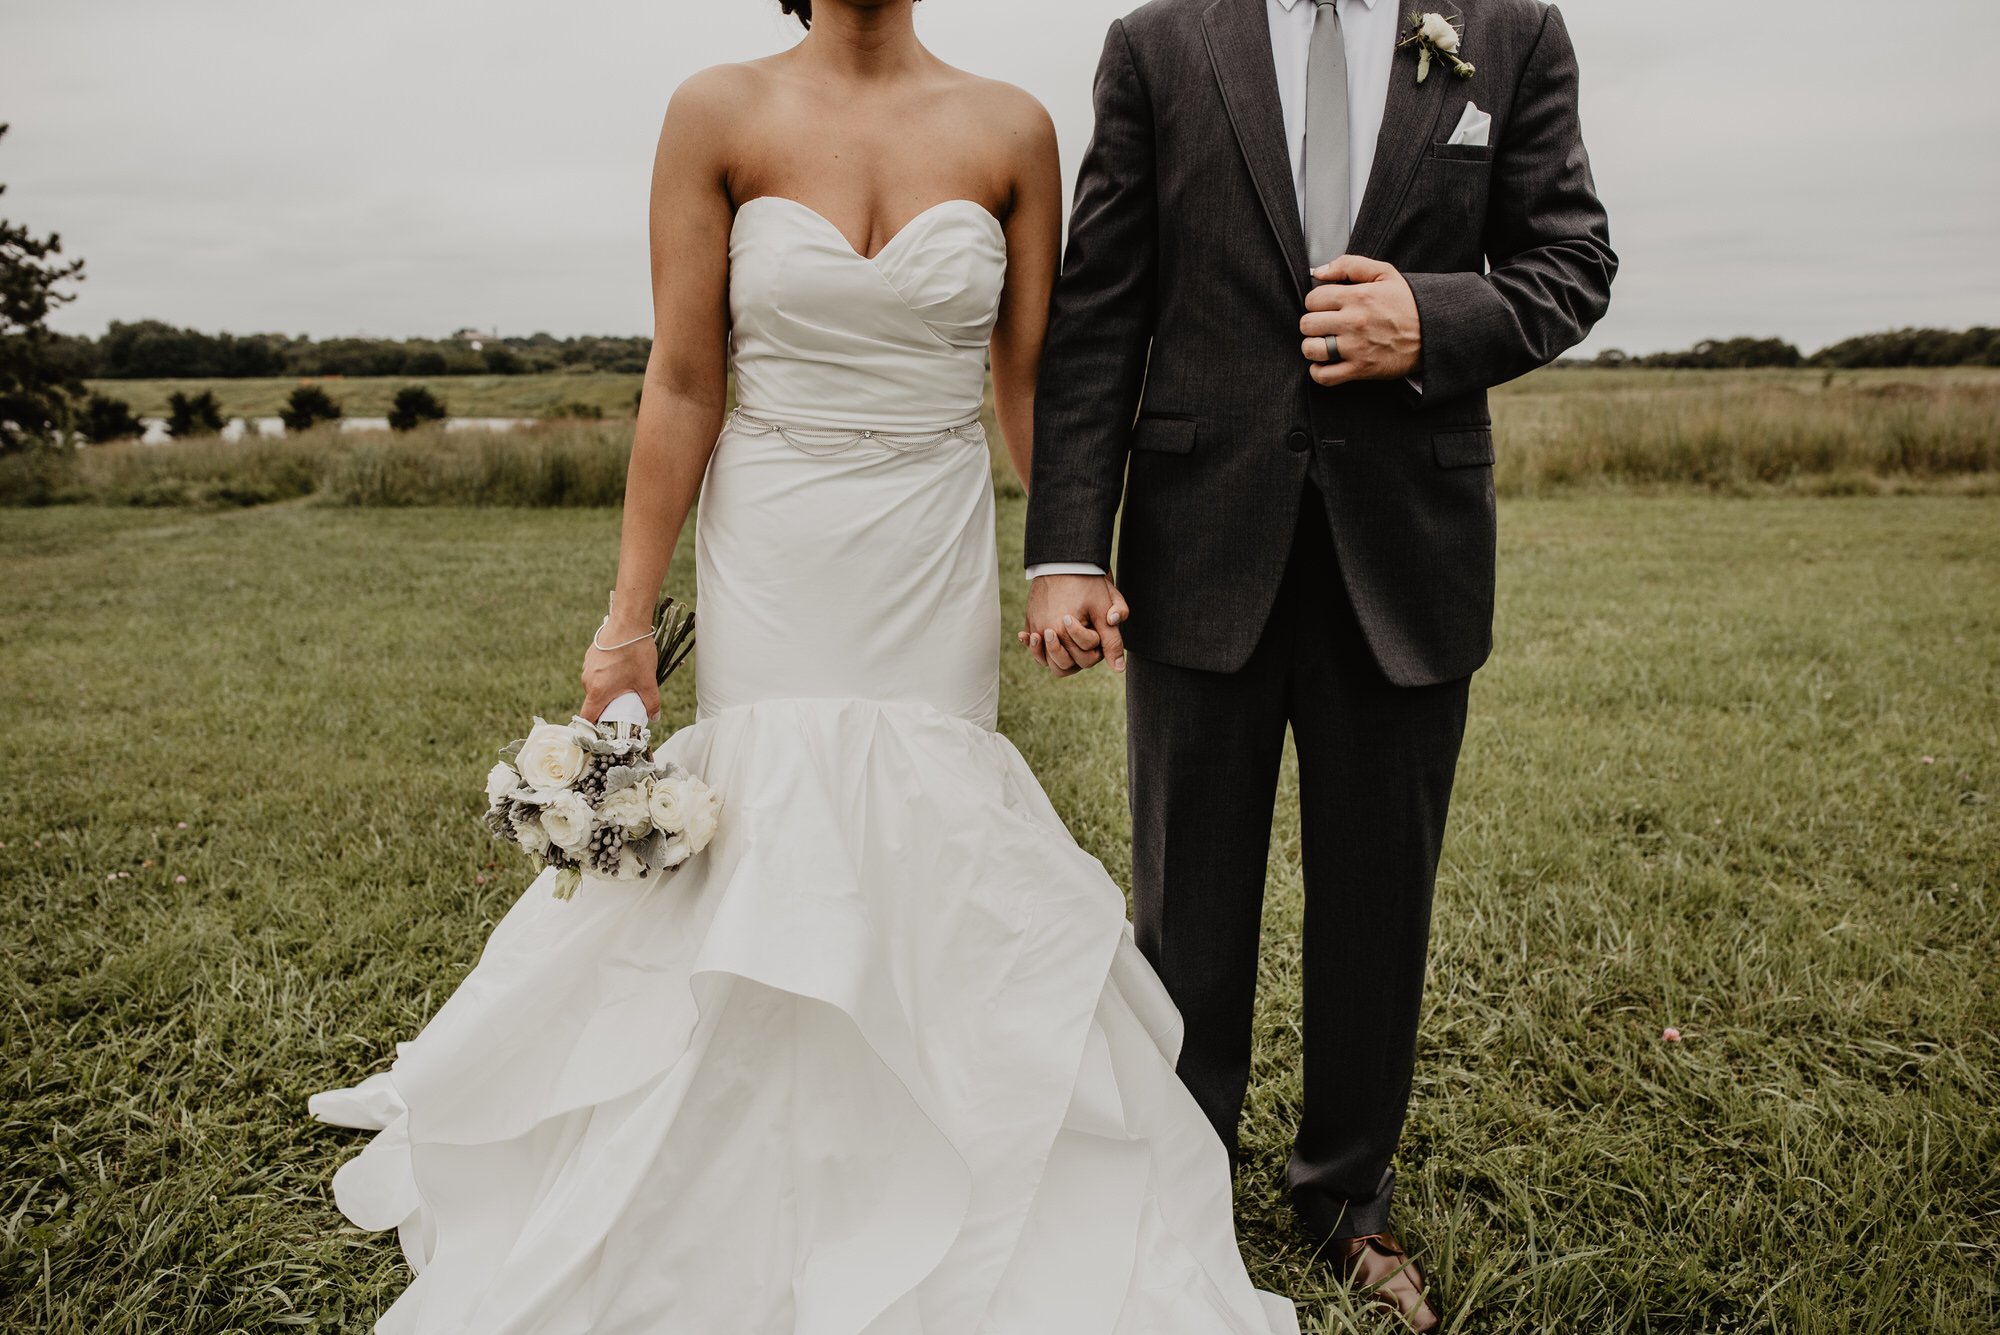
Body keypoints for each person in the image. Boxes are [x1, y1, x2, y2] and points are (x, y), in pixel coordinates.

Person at [309, 2, 1295, 1331]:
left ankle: (936, 1144)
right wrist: (628, 617)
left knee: (926, 812)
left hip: (928, 533)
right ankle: (738, 1149)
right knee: (779, 813)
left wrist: (1072, 554)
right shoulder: (717, 110)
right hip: (775, 525)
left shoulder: (1013, 127)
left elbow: (1032, 381)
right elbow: (683, 379)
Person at [1021, 0, 1615, 1328]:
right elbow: (1102, 308)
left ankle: (1348, 1196)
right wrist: (1068, 540)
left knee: (1378, 899)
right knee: (1186, 908)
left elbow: (1574, 260)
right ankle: (1177, 1187)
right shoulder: (1161, 43)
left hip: (1408, 550)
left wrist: (1435, 317)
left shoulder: (1509, 31)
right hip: (1200, 542)